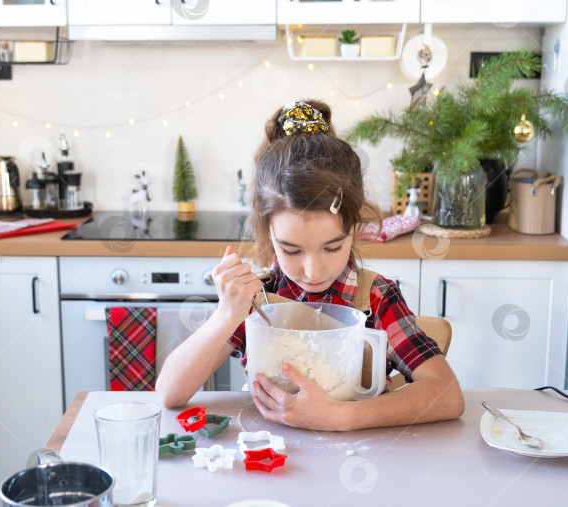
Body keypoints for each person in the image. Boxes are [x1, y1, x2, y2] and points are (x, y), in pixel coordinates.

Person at [156, 100, 464, 430]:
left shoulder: (376, 298)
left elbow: (447, 394)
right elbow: (170, 394)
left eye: (332, 247)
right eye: (291, 250)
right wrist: (226, 314)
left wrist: (342, 416)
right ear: (269, 234)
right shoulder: (258, 299)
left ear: (355, 230)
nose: (313, 271)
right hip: (270, 459)